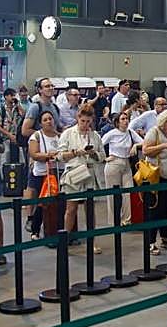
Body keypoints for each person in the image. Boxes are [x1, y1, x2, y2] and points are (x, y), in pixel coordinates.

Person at [56, 104, 105, 250]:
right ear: (78, 118)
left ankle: (92, 242)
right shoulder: (68, 133)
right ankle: (64, 241)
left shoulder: (95, 136)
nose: (85, 124)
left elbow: (102, 155)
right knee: (71, 209)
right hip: (74, 173)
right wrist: (76, 152)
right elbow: (59, 156)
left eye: (88, 121)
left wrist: (93, 154)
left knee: (90, 210)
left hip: (90, 173)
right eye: (83, 121)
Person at [141, 109, 167, 254]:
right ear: (164, 122)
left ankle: (165, 238)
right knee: (155, 210)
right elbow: (145, 150)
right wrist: (164, 146)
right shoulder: (154, 132)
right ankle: (150, 241)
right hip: (157, 177)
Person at [102, 111, 142, 228]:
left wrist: (135, 145)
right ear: (117, 122)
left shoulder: (130, 132)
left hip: (126, 164)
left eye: (126, 118)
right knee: (113, 194)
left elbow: (143, 142)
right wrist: (104, 158)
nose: (125, 121)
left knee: (127, 192)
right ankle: (114, 221)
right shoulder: (112, 133)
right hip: (114, 163)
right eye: (123, 119)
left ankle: (126, 220)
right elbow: (99, 144)